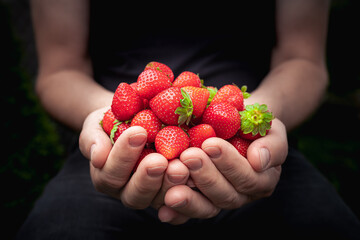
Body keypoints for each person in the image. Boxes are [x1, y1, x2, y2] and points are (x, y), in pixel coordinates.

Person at [17, 0, 360, 239]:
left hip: (248, 146)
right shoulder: (126, 124)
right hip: (117, 148)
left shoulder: (243, 128)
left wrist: (257, 115)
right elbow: (59, 71)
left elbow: (304, 60)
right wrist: (111, 118)